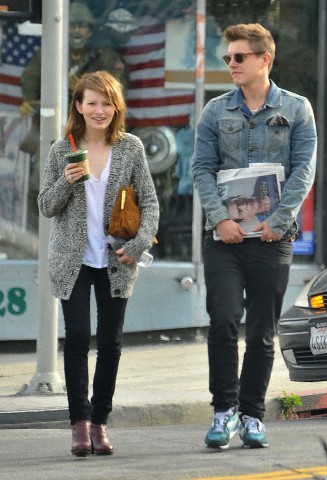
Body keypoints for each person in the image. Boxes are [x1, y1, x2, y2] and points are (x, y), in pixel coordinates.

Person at [192, 23, 317, 450]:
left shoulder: (298, 109)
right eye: (227, 58)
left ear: (265, 58)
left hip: (272, 237)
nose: (231, 64)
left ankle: (252, 416)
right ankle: (223, 411)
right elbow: (200, 169)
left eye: (239, 57)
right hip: (223, 238)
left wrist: (279, 221)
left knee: (263, 331)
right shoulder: (215, 111)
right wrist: (219, 218)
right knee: (224, 321)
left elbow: (304, 171)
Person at [38, 70, 159, 457]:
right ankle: (79, 423)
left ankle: (101, 421)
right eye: (92, 102)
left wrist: (138, 245)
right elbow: (45, 206)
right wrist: (66, 181)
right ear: (79, 106)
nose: (100, 110)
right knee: (76, 340)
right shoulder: (62, 150)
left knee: (111, 343)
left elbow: (151, 203)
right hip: (72, 261)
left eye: (107, 102)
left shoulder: (131, 148)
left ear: (116, 107)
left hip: (116, 259)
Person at [20, 2, 129, 232]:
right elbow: (30, 77)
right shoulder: (52, 50)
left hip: (97, 134)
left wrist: (87, 86)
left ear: (91, 30)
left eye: (82, 26)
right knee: (40, 179)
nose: (77, 31)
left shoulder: (105, 56)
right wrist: (30, 100)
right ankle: (35, 232)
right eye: (73, 26)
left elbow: (119, 90)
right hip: (56, 128)